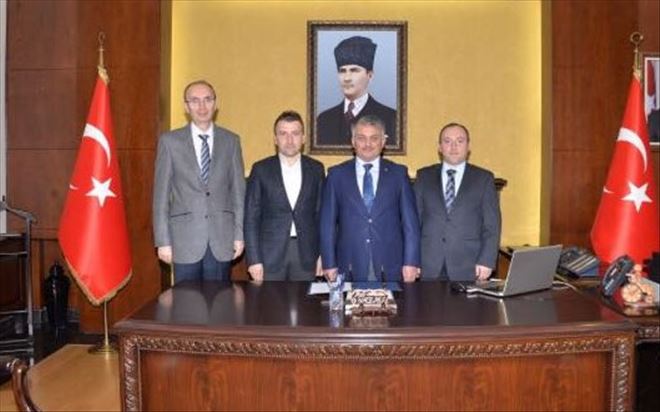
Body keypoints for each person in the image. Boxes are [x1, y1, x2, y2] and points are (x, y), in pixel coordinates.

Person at [153, 80, 246, 283]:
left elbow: (238, 193)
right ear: (186, 107)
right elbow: (161, 196)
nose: (202, 106)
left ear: (215, 104)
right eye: (194, 101)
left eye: (207, 99)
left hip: (222, 240)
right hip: (184, 241)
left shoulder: (231, 141)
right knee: (186, 300)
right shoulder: (169, 142)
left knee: (220, 300)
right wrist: (163, 241)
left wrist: (239, 235)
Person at [320, 115, 419, 282]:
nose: (368, 144)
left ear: (383, 142)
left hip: (390, 264)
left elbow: (410, 224)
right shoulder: (336, 175)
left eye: (374, 138)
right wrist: (328, 263)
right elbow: (327, 224)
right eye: (361, 138)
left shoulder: (398, 174)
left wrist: (411, 262)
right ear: (353, 141)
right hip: (349, 264)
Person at [244, 111, 325, 281]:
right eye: (283, 134)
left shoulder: (316, 169)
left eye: (295, 133)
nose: (289, 140)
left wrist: (323, 254)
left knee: (305, 299)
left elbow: (322, 216)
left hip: (306, 255)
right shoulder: (260, 169)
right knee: (268, 299)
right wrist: (253, 259)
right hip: (269, 256)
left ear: (303, 138)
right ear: (275, 139)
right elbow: (251, 217)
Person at [415, 122, 501, 282]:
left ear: (468, 146)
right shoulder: (424, 176)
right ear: (440, 147)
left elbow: (492, 225)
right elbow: (414, 223)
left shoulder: (483, 179)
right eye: (447, 141)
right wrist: (412, 260)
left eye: (460, 141)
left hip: (469, 265)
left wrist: (487, 260)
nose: (453, 146)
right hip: (428, 264)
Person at [316, 36, 397, 146]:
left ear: (370, 75)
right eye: (342, 71)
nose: (347, 78)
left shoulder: (390, 118)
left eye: (354, 70)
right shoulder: (324, 119)